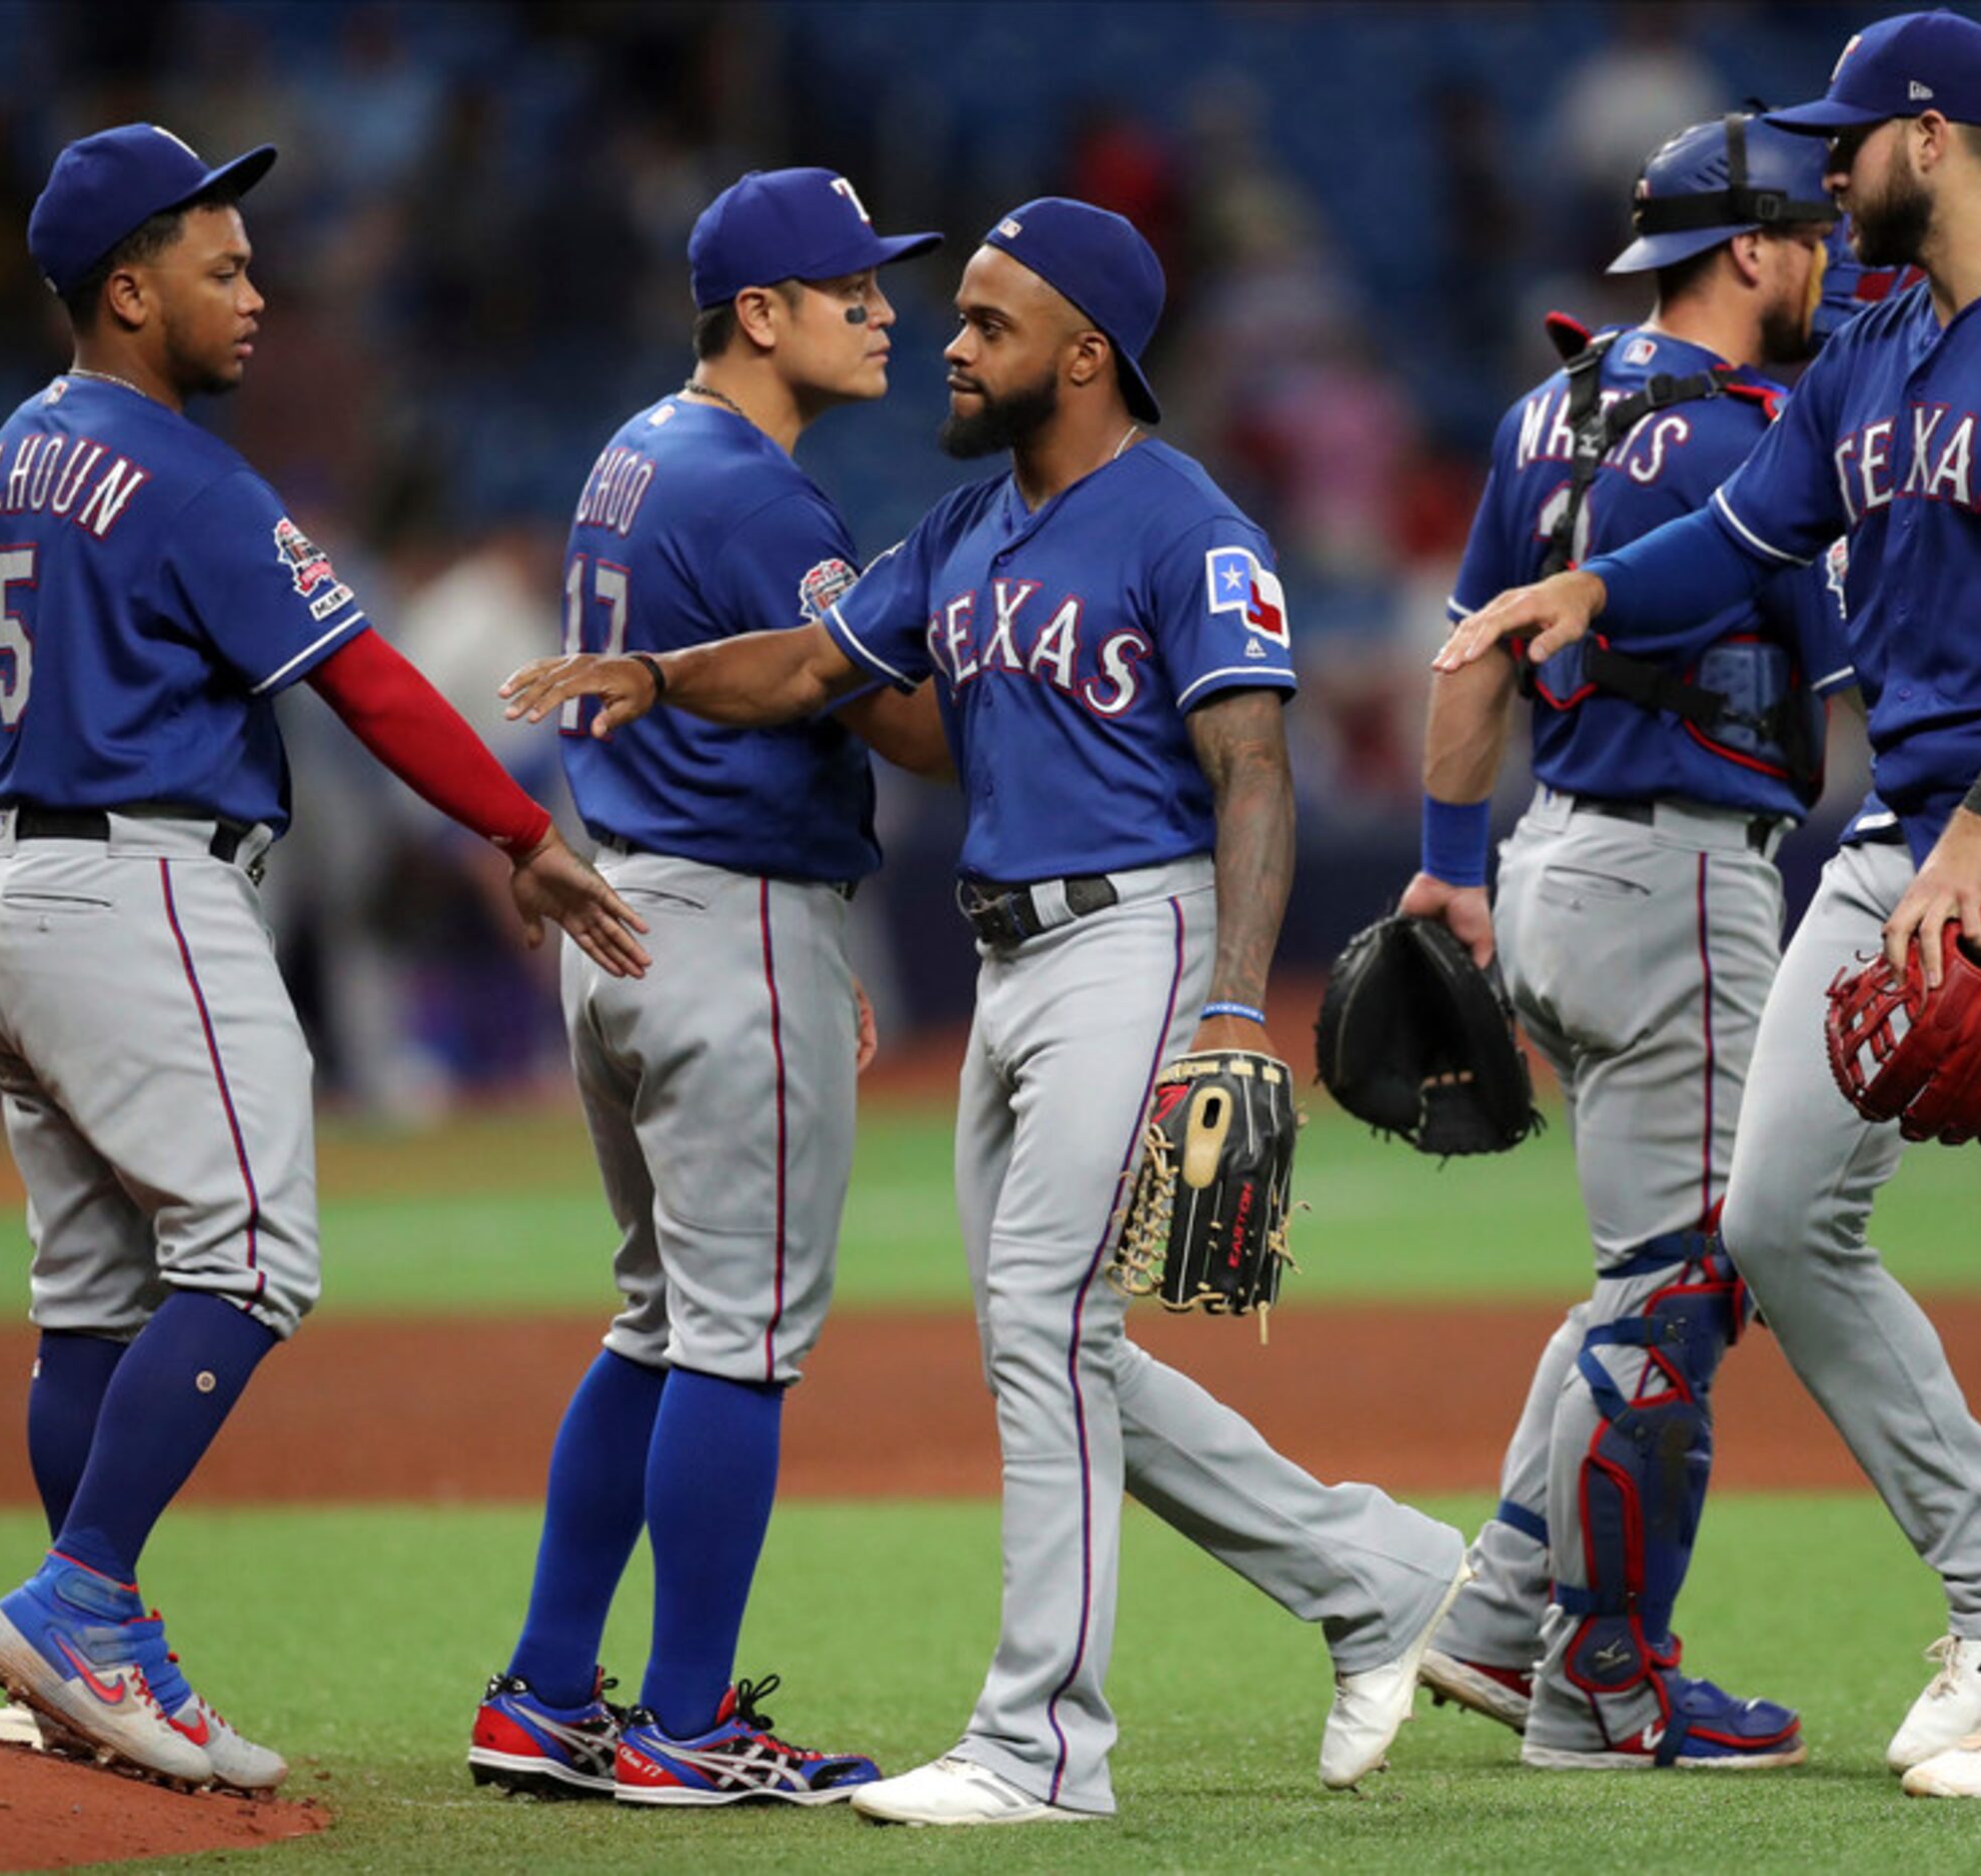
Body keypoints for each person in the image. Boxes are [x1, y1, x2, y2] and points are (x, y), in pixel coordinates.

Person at [504, 198, 1471, 1827]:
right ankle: (1373, 1566)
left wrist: (1236, 1007)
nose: (948, 342)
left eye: (986, 321)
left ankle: (1041, 1747)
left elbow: (1252, 771)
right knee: (1050, 1333)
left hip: (1138, 940)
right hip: (1008, 961)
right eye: (952, 315)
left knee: (1044, 1322)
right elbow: (815, 667)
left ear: (1085, 353)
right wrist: (662, 676)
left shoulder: (1188, 527)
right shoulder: (967, 529)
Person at [1439, 10, 1981, 1799]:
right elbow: (1746, 535)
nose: (1827, 173)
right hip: (1904, 832)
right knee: (1776, 1221)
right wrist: (1581, 593)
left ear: (1931, 138)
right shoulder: (1875, 345)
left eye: (1847, 142)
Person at [0, 125, 645, 1793]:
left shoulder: (1, 462)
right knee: (254, 1254)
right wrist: (523, 832)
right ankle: (86, 1607)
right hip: (138, 890)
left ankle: (78, 1662)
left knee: (92, 1293)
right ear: (129, 288)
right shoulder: (180, 470)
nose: (256, 292)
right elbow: (372, 683)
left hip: (1, 883)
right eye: (221, 264)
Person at [466, 167, 953, 1808]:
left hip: (630, 919)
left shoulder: (631, 450)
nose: (888, 311)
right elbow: (872, 707)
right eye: (853, 289)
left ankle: (544, 1688)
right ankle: (682, 1723)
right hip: (731, 917)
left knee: (662, 1323)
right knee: (736, 1341)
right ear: (762, 312)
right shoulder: (758, 493)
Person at [1403, 114, 1850, 1771]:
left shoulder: (1543, 411)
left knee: (1640, 1268)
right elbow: (1833, 657)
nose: (1827, 265)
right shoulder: (1760, 430)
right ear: (1748, 250)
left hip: (1543, 868)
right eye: (1808, 237)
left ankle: (1506, 1601)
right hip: (1679, 885)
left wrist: (1450, 868)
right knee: (1680, 1289)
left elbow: (1468, 657)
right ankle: (1606, 1678)